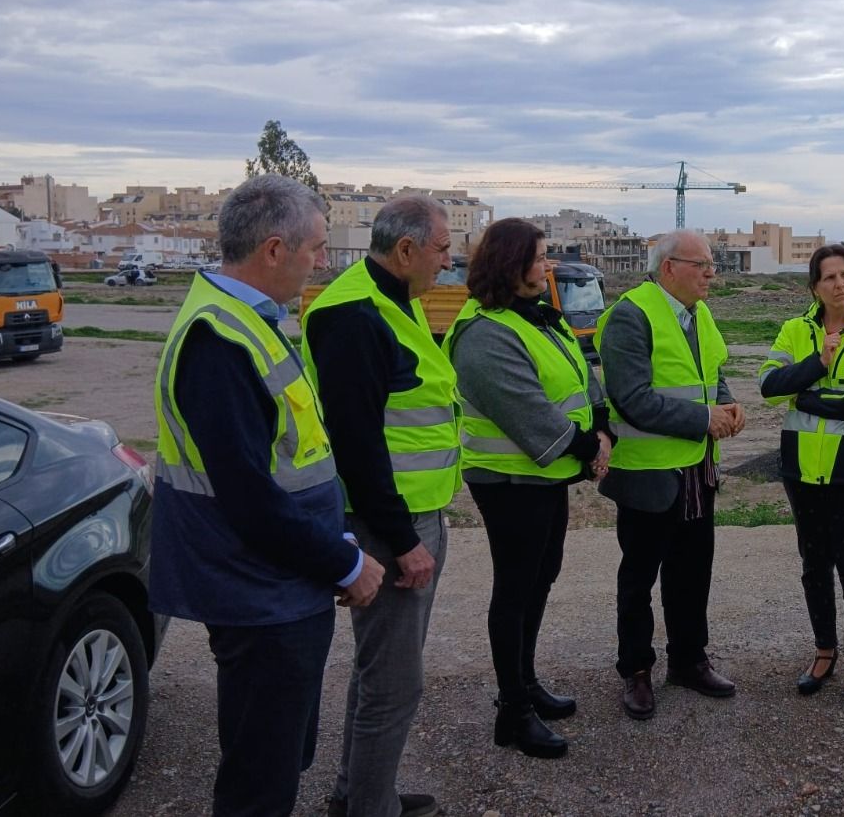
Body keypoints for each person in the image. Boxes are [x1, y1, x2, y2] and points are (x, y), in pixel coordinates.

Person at [148, 174, 385, 817]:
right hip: (257, 589)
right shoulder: (220, 339)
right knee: (262, 773)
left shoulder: (246, 322)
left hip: (280, 581)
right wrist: (345, 562)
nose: (323, 262)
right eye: (315, 248)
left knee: (282, 752)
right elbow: (250, 500)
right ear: (275, 250)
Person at [301, 195, 459, 817]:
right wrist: (403, 540)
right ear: (406, 251)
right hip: (390, 524)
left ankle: (358, 794)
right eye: (444, 249)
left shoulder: (395, 302)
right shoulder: (354, 315)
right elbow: (357, 442)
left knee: (380, 674)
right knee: (394, 682)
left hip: (412, 513)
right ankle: (370, 807)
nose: (451, 260)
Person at [442, 218, 613, 759]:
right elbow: (528, 413)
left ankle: (526, 681)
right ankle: (512, 711)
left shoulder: (537, 316)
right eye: (540, 257)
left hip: (544, 478)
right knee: (515, 589)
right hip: (510, 481)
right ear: (510, 265)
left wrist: (601, 423)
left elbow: (581, 374)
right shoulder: (485, 333)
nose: (549, 266)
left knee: (540, 578)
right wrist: (590, 448)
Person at [595, 228, 744, 720]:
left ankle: (688, 660)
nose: (710, 273)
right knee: (639, 578)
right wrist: (704, 420)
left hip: (696, 474)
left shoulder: (698, 313)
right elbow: (632, 399)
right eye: (701, 264)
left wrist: (725, 404)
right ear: (668, 269)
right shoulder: (630, 317)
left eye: (712, 265)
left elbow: (711, 372)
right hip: (648, 477)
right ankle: (636, 671)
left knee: (692, 573)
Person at [757, 243, 844, 704]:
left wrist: (805, 395)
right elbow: (769, 387)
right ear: (814, 287)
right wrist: (817, 364)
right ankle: (824, 651)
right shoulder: (795, 330)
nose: (840, 283)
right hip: (800, 468)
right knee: (814, 565)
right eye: (829, 277)